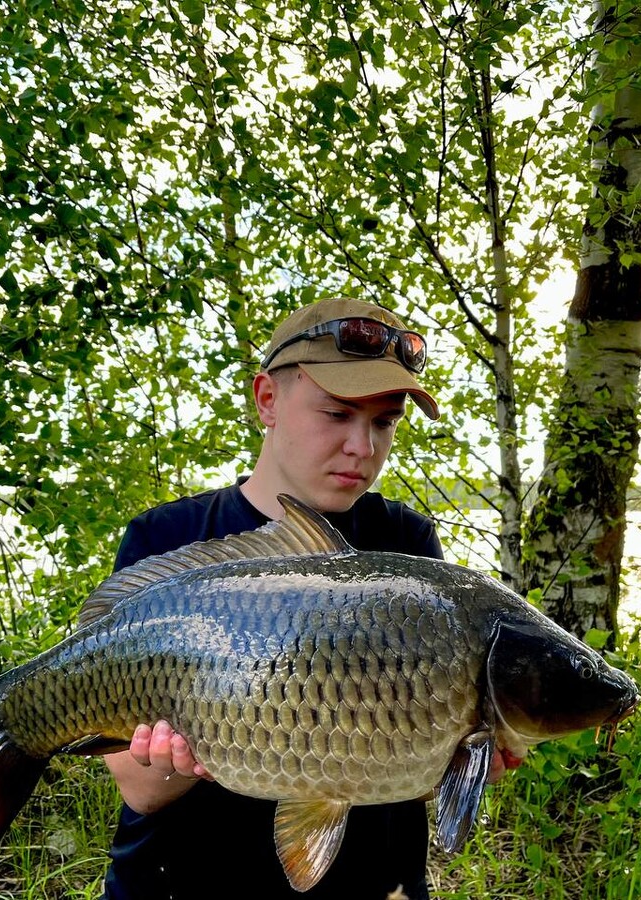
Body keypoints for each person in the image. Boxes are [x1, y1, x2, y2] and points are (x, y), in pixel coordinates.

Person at [100, 297, 509, 900]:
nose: (362, 448)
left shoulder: (406, 544)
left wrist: (455, 759)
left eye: (384, 422)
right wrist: (169, 760)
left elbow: (404, 764)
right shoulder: (166, 540)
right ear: (267, 399)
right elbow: (140, 791)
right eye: (338, 414)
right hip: (179, 882)